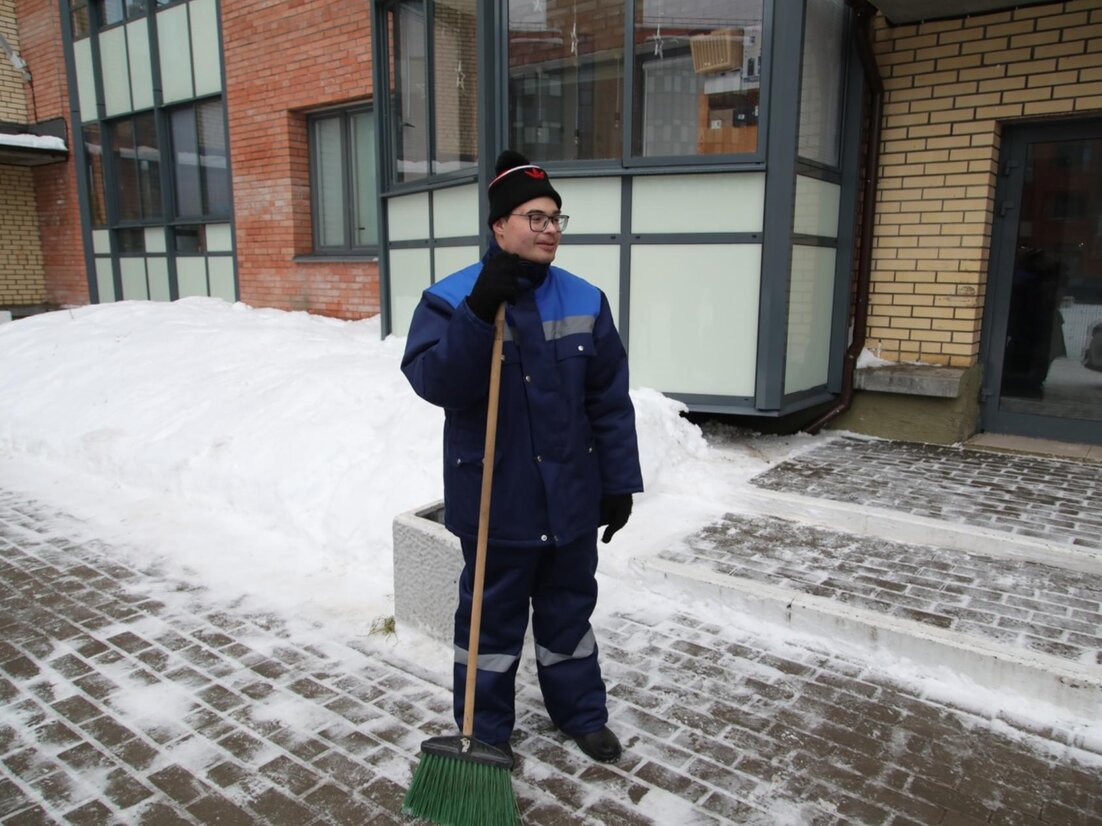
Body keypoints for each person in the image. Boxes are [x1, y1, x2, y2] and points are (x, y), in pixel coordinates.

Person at [401, 150, 643, 769]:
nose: (549, 229)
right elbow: (437, 384)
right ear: (499, 226)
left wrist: (617, 484)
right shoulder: (450, 298)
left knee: (568, 616)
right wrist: (481, 312)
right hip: (495, 499)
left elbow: (609, 401)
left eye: (557, 218)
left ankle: (581, 714)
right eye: (534, 217)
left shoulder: (584, 298)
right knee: (490, 626)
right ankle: (483, 734)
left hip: (569, 500)